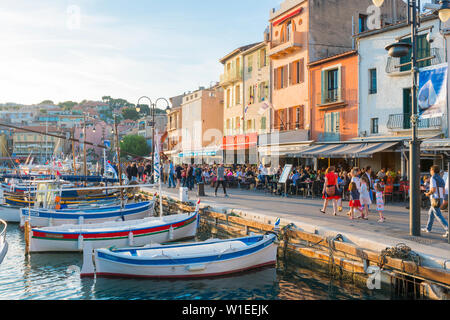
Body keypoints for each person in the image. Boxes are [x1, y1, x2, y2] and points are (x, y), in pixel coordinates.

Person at [422, 165, 449, 238]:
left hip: (435, 198)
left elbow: (433, 190)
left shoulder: (433, 178)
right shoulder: (441, 178)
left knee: (438, 215)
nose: (430, 171)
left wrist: (428, 193)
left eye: (430, 170)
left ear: (433, 171)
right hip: (440, 198)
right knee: (431, 213)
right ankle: (428, 228)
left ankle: (448, 229)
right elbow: (443, 190)